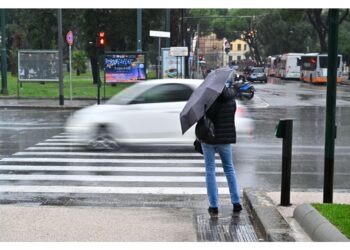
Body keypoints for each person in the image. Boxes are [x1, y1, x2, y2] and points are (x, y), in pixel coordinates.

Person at [199, 78, 242, 219]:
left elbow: (202, 119)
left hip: (209, 139)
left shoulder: (208, 100)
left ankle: (214, 206)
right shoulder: (231, 100)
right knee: (229, 169)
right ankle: (236, 202)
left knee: (210, 170)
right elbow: (231, 116)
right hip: (225, 140)